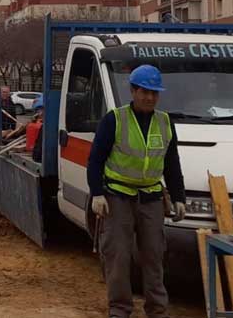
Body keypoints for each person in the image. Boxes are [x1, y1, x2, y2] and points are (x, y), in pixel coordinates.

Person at [86, 64, 186, 318]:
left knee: (154, 258)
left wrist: (178, 197)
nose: (150, 97)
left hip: (151, 199)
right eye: (144, 92)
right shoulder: (115, 119)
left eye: (154, 93)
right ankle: (119, 310)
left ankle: (157, 310)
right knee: (117, 258)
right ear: (133, 90)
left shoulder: (164, 122)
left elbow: (171, 163)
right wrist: (97, 193)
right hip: (118, 198)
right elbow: (96, 159)